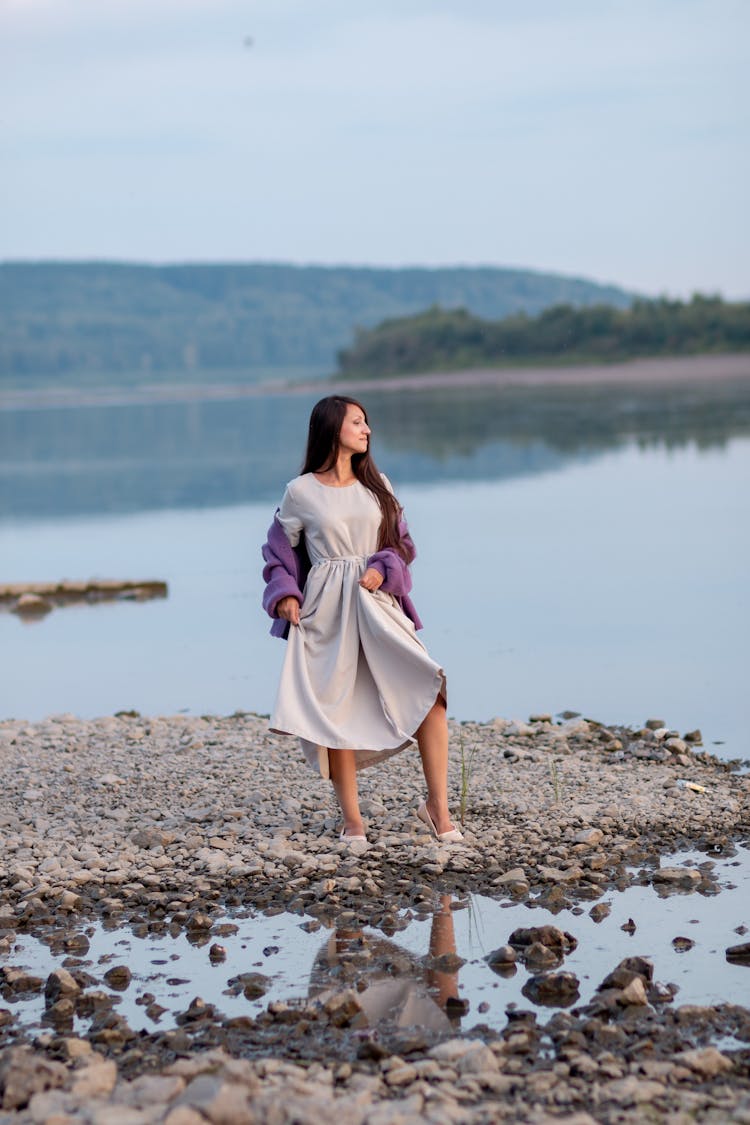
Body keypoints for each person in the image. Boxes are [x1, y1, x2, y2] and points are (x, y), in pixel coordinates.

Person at [261, 395, 462, 845]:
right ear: (333, 428)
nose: (367, 429)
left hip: (376, 603)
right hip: (326, 610)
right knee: (336, 710)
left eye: (367, 422)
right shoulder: (300, 492)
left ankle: (438, 807)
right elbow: (278, 553)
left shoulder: (378, 486)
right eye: (358, 421)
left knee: (431, 691)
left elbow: (403, 545)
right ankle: (353, 821)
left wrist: (381, 568)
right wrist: (285, 596)